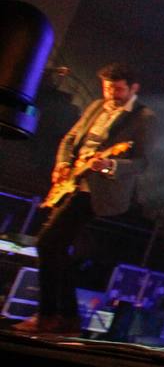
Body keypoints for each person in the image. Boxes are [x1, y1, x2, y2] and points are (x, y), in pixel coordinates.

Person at [10, 63, 155, 336]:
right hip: (73, 182)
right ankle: (67, 318)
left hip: (98, 191)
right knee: (56, 248)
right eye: (108, 88)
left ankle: (48, 316)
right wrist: (63, 163)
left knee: (47, 242)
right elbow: (71, 138)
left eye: (118, 89)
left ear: (133, 88)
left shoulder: (143, 117)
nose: (111, 94)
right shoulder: (97, 106)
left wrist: (110, 165)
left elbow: (142, 162)